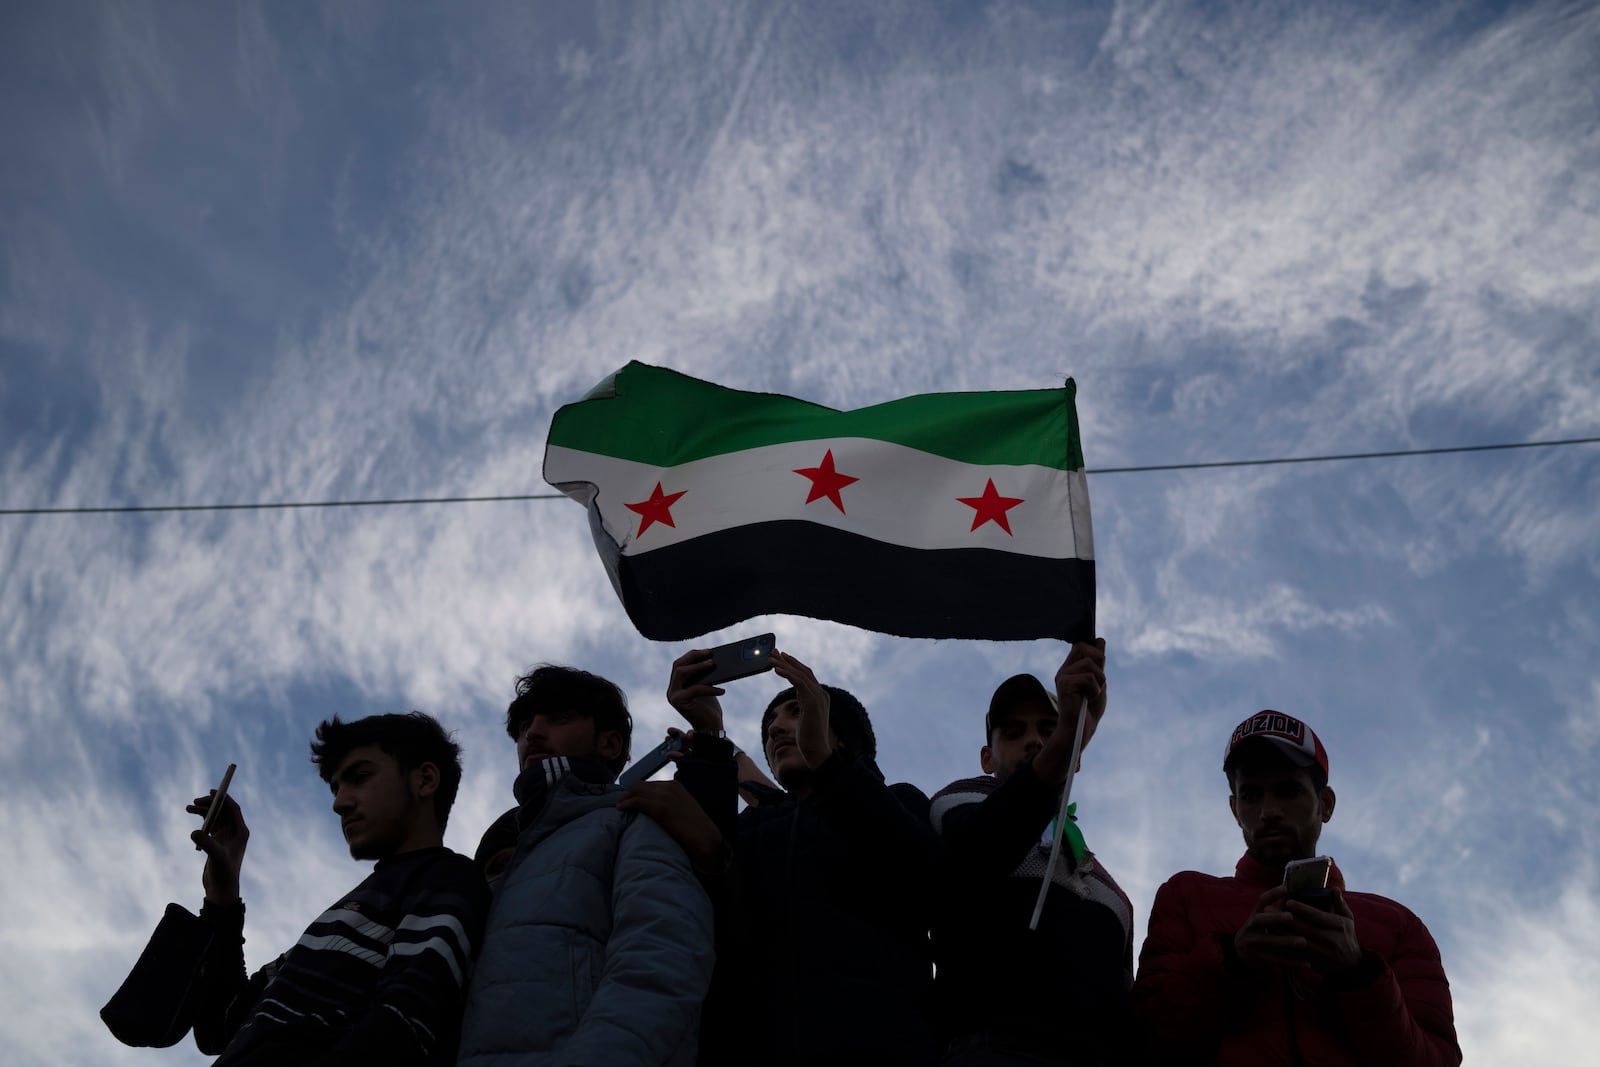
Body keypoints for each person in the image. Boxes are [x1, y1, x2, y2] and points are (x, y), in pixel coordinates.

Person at [658, 647, 943, 1067]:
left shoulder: (896, 802)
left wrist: (829, 768)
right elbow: (708, 892)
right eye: (770, 724)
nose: (775, 729)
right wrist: (710, 738)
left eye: (795, 711)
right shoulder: (750, 830)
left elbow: (933, 884)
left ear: (838, 733)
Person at [1132, 710, 1462, 1066]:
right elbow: (1143, 1045)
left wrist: (1357, 973)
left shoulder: (1398, 924)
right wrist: (1231, 960)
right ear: (1234, 809)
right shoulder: (1186, 896)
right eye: (1251, 795)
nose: (1269, 810)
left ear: (1326, 804)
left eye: (1288, 791)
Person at [187, 711, 490, 1066]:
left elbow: (403, 1024)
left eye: (360, 777)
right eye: (335, 788)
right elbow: (218, 1027)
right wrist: (223, 899)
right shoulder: (345, 916)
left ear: (424, 780)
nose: (339, 803)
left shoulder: (450, 879)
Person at [455, 665, 714, 1067]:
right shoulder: (506, 860)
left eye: (558, 718)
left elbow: (661, 956)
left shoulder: (629, 820)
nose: (533, 734)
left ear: (610, 744)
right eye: (525, 726)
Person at [929, 638, 1135, 1066]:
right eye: (1014, 731)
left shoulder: (1114, 895)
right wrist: (1067, 740)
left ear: (1076, 759)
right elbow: (981, 845)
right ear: (987, 757)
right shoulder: (955, 805)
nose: (1035, 741)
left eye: (1049, 728)